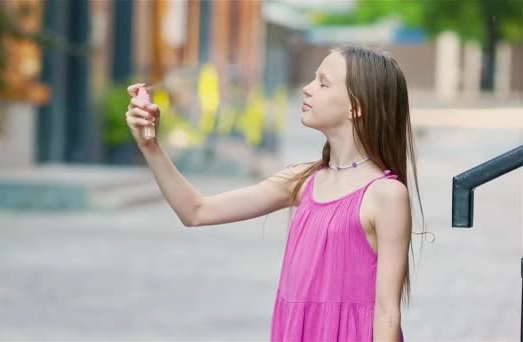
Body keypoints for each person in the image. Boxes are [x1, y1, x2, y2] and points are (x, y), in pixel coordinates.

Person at [125, 44, 429, 341]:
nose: (307, 89)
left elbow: (388, 313)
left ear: (356, 107)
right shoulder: (301, 181)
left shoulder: (386, 195)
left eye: (323, 83)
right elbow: (195, 211)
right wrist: (150, 147)